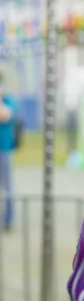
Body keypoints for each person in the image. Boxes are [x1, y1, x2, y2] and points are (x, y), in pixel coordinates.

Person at [0, 74, 18, 231]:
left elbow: (4, 116)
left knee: (7, 187)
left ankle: (8, 219)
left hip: (4, 150)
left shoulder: (8, 102)